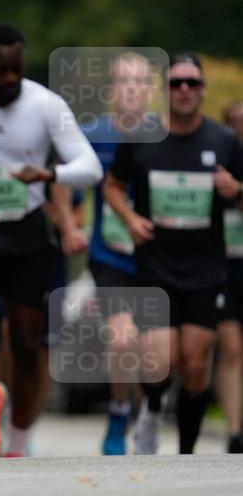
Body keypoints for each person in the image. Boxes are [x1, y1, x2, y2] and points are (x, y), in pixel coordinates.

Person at [0, 24, 103, 458]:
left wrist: (49, 174)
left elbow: (90, 167)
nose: (10, 78)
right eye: (1, 70)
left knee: (27, 344)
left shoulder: (46, 104)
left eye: (16, 69)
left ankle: (17, 441)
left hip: (27, 234)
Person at [104, 54, 243, 454]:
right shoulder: (142, 139)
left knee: (196, 364)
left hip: (205, 269)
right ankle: (151, 409)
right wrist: (130, 219)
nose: (184, 90)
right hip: (155, 266)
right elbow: (113, 186)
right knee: (158, 362)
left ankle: (186, 453)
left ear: (202, 90)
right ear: (165, 90)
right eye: (176, 83)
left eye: (191, 83)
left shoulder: (224, 141)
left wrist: (236, 190)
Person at [83, 52, 156, 455]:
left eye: (139, 82)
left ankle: (145, 415)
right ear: (113, 90)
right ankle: (118, 411)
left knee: (151, 351)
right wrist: (67, 224)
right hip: (109, 256)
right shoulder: (93, 136)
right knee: (124, 341)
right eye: (124, 81)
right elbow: (63, 183)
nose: (132, 89)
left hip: (155, 258)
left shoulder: (164, 135)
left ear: (149, 91)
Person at [217, 101, 243, 453]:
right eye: (235, 123)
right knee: (231, 348)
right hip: (222, 270)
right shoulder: (215, 165)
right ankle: (234, 431)